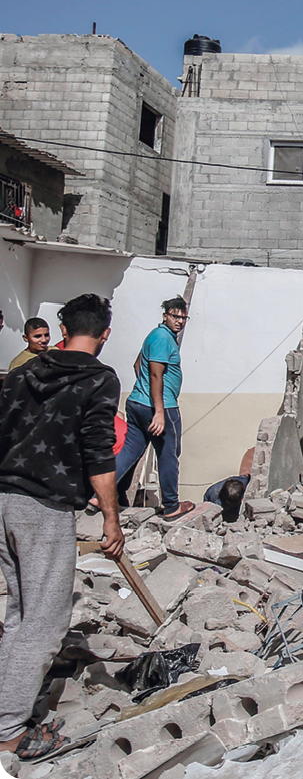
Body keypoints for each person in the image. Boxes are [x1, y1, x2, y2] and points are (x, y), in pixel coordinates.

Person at [0, 294, 123, 763]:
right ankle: (10, 734)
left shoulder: (21, 372)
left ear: (63, 327)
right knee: (46, 624)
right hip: (42, 507)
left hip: (4, 498)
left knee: (20, 614)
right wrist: (111, 517)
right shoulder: (97, 377)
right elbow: (98, 450)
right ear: (104, 334)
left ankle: (5, 712)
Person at [113, 297, 192, 520]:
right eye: (175, 316)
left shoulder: (157, 336)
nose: (180, 321)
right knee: (168, 455)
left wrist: (144, 390)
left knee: (130, 451)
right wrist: (158, 410)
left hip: (139, 403)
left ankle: (99, 494)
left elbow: (138, 364)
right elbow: (156, 374)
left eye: (183, 317)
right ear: (165, 315)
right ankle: (171, 505)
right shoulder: (162, 339)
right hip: (161, 407)